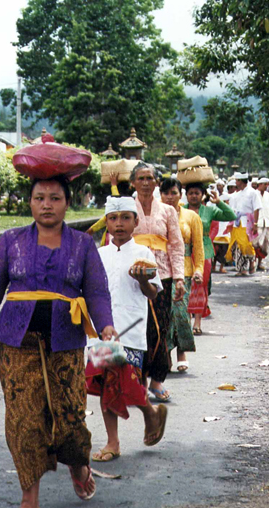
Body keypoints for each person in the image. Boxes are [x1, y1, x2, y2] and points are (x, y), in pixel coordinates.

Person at [0, 175, 117, 508]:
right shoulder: (10, 241)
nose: (47, 204)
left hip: (66, 344)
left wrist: (105, 324)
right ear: (29, 203)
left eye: (56, 198)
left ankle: (78, 463)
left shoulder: (82, 245)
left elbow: (97, 291)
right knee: (23, 420)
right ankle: (30, 502)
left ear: (67, 203)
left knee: (71, 416)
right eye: (40, 197)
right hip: (18, 344)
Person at [86, 196, 167, 461]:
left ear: (135, 222)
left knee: (129, 385)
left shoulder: (143, 253)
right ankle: (113, 442)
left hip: (131, 328)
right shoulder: (98, 255)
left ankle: (150, 413)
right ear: (106, 222)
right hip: (102, 330)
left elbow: (153, 294)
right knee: (105, 381)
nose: (119, 224)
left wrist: (143, 281)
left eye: (125, 218)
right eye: (113, 218)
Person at [131, 162, 185, 401]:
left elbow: (176, 245)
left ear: (156, 182)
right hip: (132, 275)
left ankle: (157, 380)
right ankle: (138, 381)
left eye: (149, 178)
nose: (145, 182)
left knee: (161, 327)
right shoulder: (126, 207)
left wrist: (180, 277)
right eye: (141, 178)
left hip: (162, 275)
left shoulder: (167, 211)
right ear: (133, 182)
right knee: (137, 328)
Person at [160, 178, 204, 373]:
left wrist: (198, 269)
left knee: (179, 312)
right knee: (164, 314)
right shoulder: (155, 215)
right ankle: (166, 355)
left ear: (181, 194)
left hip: (184, 271)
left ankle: (181, 352)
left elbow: (198, 247)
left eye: (174, 193)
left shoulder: (191, 217)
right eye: (166, 193)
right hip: (160, 270)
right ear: (160, 195)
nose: (170, 197)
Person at [184, 182, 236, 334]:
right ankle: (185, 321)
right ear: (186, 195)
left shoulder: (209, 211)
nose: (194, 196)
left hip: (205, 252)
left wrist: (218, 202)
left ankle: (197, 322)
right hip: (185, 251)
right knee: (185, 284)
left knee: (200, 285)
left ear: (202, 195)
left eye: (197, 193)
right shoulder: (180, 210)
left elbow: (231, 215)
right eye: (191, 193)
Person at [226, 172, 262, 276]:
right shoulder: (236, 195)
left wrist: (255, 223)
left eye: (237, 180)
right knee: (236, 245)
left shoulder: (253, 193)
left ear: (241, 181)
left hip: (247, 222)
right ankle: (242, 268)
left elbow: (256, 209)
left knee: (245, 244)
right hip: (237, 222)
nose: (236, 182)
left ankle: (250, 263)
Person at [212, 179, 236, 273]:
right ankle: (213, 266)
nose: (219, 187)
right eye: (218, 185)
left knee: (224, 249)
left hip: (225, 224)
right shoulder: (213, 196)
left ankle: (221, 266)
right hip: (216, 224)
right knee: (215, 248)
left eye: (221, 185)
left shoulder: (228, 197)